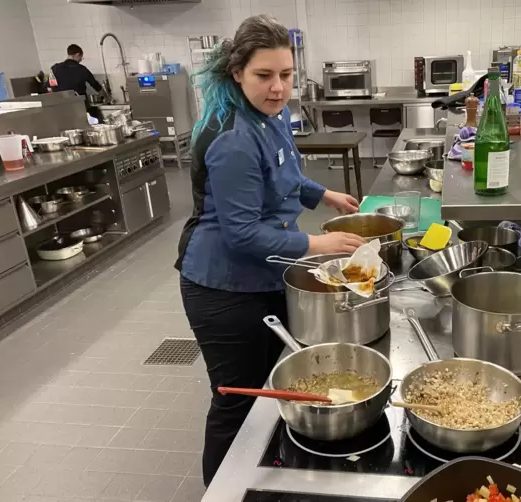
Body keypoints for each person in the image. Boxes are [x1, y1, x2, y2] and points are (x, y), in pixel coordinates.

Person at [174, 14, 366, 487]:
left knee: (270, 385)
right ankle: (220, 492)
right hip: (221, 286)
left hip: (263, 273)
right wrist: (319, 243)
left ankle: (260, 479)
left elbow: (284, 173)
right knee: (236, 398)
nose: (278, 87)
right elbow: (241, 232)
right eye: (265, 75)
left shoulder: (270, 116)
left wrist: (324, 195)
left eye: (286, 75)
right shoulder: (233, 136)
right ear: (237, 72)